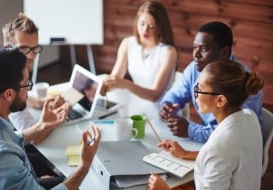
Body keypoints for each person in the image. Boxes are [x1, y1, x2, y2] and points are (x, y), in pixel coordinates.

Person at [0, 47, 101, 190]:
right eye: (27, 85)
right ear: (9, 94)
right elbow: (0, 151)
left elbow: (3, 139)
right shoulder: (0, 157)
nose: (28, 92)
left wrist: (42, 126)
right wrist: (84, 165)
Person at [147, 59, 264, 190]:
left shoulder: (218, 147)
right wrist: (185, 153)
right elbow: (227, 158)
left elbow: (219, 153)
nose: (195, 94)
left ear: (220, 100)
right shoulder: (250, 117)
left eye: (199, 89)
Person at [0, 13, 67, 144]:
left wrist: (40, 103)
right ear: (8, 46)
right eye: (24, 48)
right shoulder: (8, 80)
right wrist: (57, 120)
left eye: (35, 48)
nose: (31, 56)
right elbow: (32, 138)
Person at [159, 21, 264, 143]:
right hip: (212, 144)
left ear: (224, 52)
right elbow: (175, 95)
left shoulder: (243, 82)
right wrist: (167, 105)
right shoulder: (194, 69)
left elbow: (235, 134)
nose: (196, 55)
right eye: (194, 47)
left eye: (203, 49)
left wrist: (191, 130)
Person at [101, 0, 177, 102]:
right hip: (137, 102)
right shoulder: (128, 43)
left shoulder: (168, 52)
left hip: (162, 107)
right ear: (137, 21)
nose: (145, 30)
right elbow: (115, 78)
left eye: (151, 26)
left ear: (160, 27)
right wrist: (102, 86)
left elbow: (154, 96)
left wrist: (126, 84)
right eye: (142, 24)